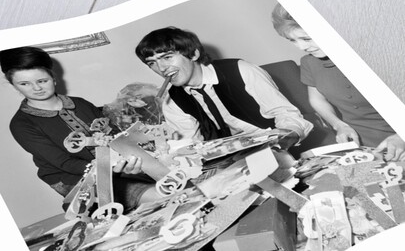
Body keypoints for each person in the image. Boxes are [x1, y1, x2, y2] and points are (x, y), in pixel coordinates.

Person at [0, 46, 157, 210]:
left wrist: (132, 154)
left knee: (166, 178)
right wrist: (108, 167)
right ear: (14, 86)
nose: (36, 88)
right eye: (24, 84)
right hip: (75, 178)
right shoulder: (21, 124)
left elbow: (114, 134)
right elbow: (64, 163)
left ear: (53, 78)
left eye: (42, 81)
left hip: (114, 165)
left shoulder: (80, 103)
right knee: (153, 194)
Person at [135, 27, 313, 147]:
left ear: (194, 54)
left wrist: (283, 138)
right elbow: (191, 145)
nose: (161, 68)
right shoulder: (171, 101)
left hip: (276, 145)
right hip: (230, 162)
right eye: (152, 63)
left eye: (167, 57)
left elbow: (285, 113)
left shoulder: (241, 70)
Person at [271, 4, 405, 161]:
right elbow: (317, 99)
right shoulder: (309, 63)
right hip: (361, 145)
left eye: (306, 38)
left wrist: (401, 136)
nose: (301, 47)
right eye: (292, 40)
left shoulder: (382, 53)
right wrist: (339, 125)